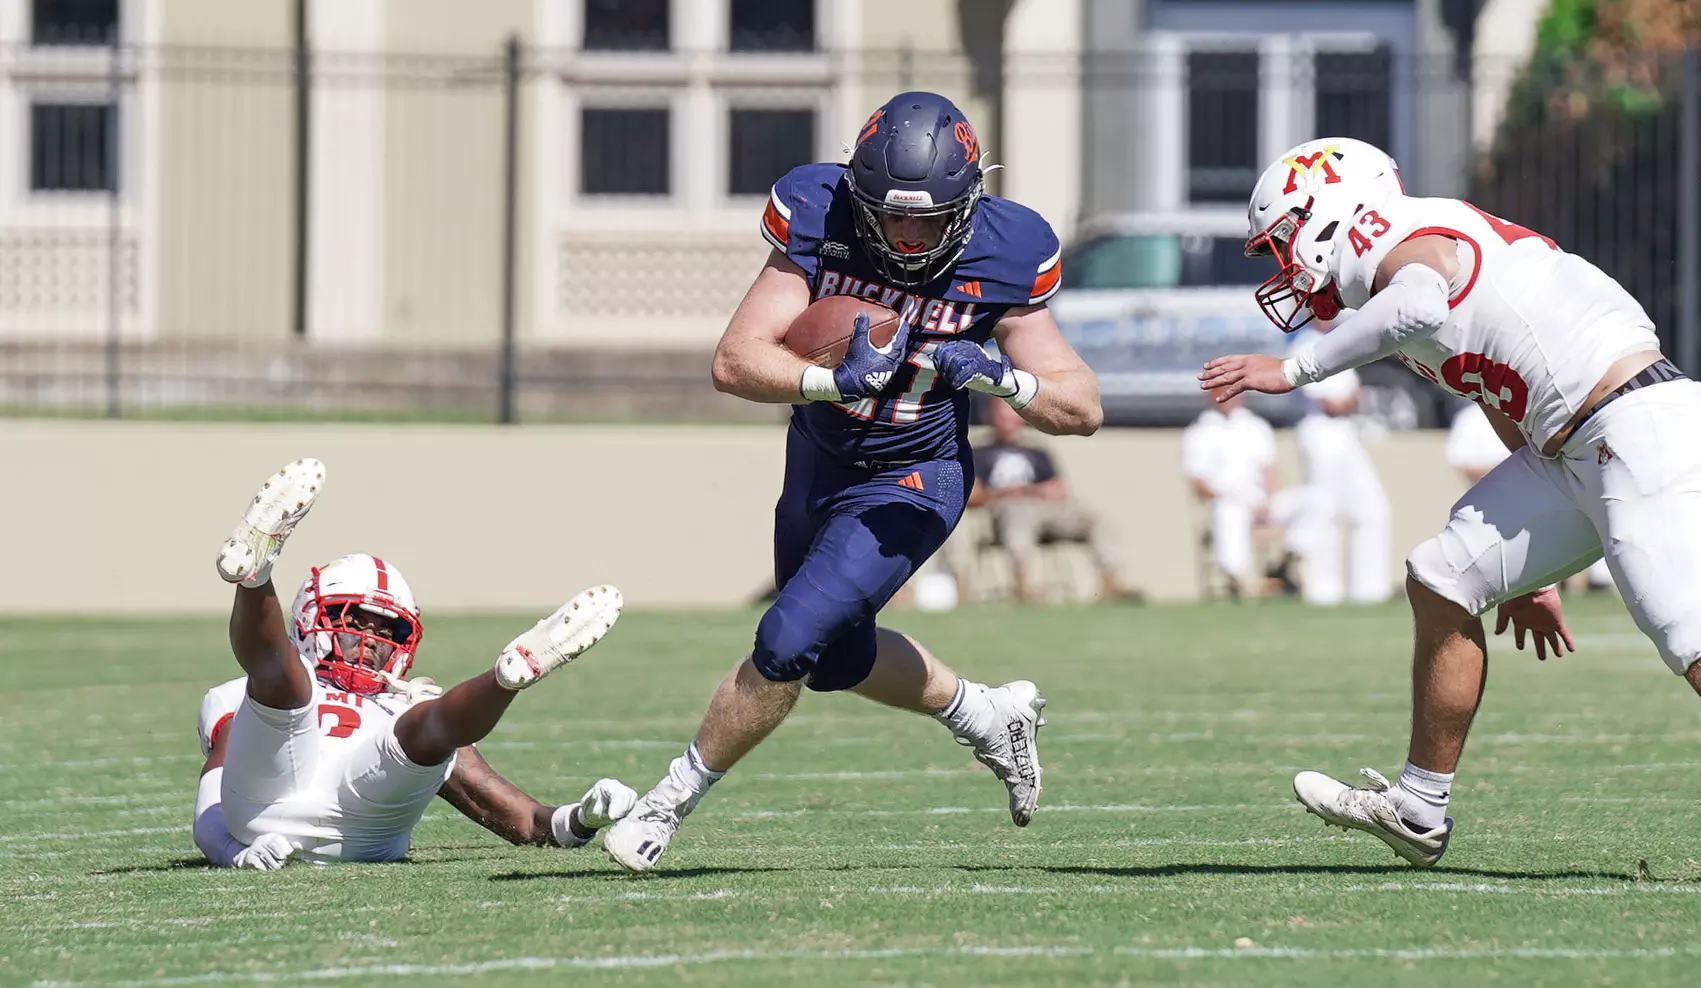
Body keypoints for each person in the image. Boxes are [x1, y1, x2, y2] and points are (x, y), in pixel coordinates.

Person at [1201, 136, 1701, 867]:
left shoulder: (1402, 247)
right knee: (1442, 577)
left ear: (1329, 214)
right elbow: (1505, 408)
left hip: (1632, 428)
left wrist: (1294, 369)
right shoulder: (1389, 286)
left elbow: (1420, 299)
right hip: (1578, 447)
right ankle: (1417, 807)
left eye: (1282, 243)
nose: (1282, 267)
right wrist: (1533, 572)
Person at [598, 91, 1103, 872]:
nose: (905, 235)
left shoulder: (1009, 250)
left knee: (787, 640)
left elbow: (1082, 406)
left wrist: (1007, 381)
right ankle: (987, 716)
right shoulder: (816, 211)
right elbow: (735, 360)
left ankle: (664, 804)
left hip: (916, 472)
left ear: (967, 202)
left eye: (927, 218)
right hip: (819, 456)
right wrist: (826, 382)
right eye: (890, 215)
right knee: (833, 659)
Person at [196, 458, 635, 868]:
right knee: (287, 688)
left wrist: (583, 819)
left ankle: (507, 676)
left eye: (389, 632)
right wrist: (236, 852)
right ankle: (255, 571)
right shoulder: (238, 695)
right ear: (312, 618)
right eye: (355, 621)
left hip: (365, 831)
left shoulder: (404, 703)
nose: (372, 641)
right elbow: (210, 810)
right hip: (263, 813)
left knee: (420, 724)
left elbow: (524, 820)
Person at [951, 396, 1138, 602]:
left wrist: (1028, 491)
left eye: (1013, 416)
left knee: (1097, 521)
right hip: (1001, 512)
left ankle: (1111, 584)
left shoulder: (1037, 451)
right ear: (991, 418)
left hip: (1045, 510)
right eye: (1003, 417)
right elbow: (973, 495)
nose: (1009, 422)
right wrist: (1009, 494)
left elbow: (1058, 489)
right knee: (1018, 512)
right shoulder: (979, 452)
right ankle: (1022, 586)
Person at [1446, 403, 1613, 592]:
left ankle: (1581, 583)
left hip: (1540, 489)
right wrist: (1511, 474)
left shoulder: (1529, 405)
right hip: (1493, 504)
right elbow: (1463, 463)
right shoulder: (1470, 418)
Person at [1182, 388, 1329, 599]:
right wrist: (1228, 495)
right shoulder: (1199, 432)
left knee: (1316, 499)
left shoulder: (1255, 427)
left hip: (1261, 500)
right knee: (1228, 511)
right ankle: (1240, 579)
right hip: (1227, 498)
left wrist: (1267, 502)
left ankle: (1286, 560)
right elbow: (1199, 482)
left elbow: (1269, 468)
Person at [1292, 339, 1393, 605]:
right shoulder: (1302, 344)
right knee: (1325, 510)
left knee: (1372, 508)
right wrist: (1347, 401)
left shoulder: (1343, 337)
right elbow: (1331, 402)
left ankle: (1370, 589)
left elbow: (1355, 395)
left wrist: (1350, 401)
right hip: (1320, 430)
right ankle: (1323, 590)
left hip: (1346, 430)